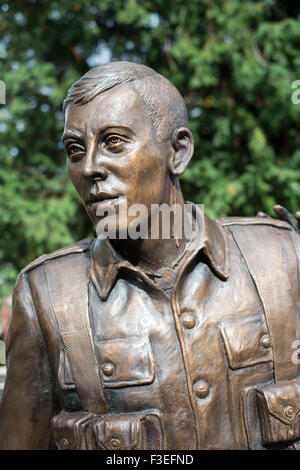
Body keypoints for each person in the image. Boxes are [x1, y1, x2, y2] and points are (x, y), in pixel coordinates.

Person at [1, 61, 300, 450]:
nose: (90, 167)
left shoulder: (281, 258)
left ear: (177, 152)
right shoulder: (48, 297)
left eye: (113, 142)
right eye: (75, 150)